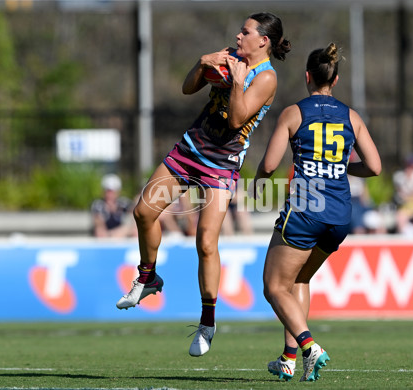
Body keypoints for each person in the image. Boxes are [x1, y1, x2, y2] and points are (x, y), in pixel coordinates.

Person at [115, 12, 291, 357]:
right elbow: (188, 87)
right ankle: (148, 276)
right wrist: (202, 62)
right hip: (189, 151)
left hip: (221, 165)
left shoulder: (266, 77)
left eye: (245, 32)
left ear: (263, 41)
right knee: (143, 213)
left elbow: (239, 118)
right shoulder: (230, 55)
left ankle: (207, 322)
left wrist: (237, 80)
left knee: (206, 242)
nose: (238, 36)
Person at [251, 43, 381, 381]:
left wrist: (256, 184)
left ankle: (310, 346)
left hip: (308, 206)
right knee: (300, 278)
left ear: (307, 76)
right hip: (340, 214)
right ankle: (289, 358)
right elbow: (376, 166)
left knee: (273, 286)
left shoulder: (294, 113)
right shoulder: (351, 116)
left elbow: (268, 164)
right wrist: (342, 168)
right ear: (334, 79)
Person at [91, 173, 137, 238]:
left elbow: (137, 213)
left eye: (112, 191)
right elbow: (100, 229)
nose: (110, 194)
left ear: (118, 192)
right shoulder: (98, 205)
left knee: (135, 229)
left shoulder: (123, 203)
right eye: (108, 191)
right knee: (99, 231)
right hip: (105, 238)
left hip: (120, 236)